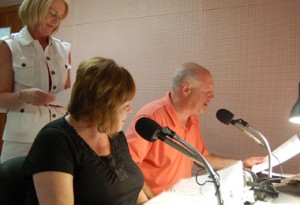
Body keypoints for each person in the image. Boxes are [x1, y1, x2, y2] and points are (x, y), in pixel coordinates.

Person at [126, 62, 265, 197]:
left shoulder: (192, 120)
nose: (212, 97)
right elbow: (127, 167)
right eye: (207, 92)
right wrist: (151, 200)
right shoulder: (151, 117)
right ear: (186, 89)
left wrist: (241, 164)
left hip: (180, 197)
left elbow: (202, 158)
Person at [23, 57, 149, 205]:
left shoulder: (114, 135)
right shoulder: (54, 141)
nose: (130, 110)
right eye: (124, 105)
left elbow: (134, 191)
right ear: (101, 106)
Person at [0, 0, 71, 163]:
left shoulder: (64, 49)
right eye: (51, 13)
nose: (56, 21)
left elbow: (69, 95)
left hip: (59, 135)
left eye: (60, 17)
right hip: (22, 139)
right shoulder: (9, 46)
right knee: (15, 188)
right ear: (35, 6)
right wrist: (24, 96)